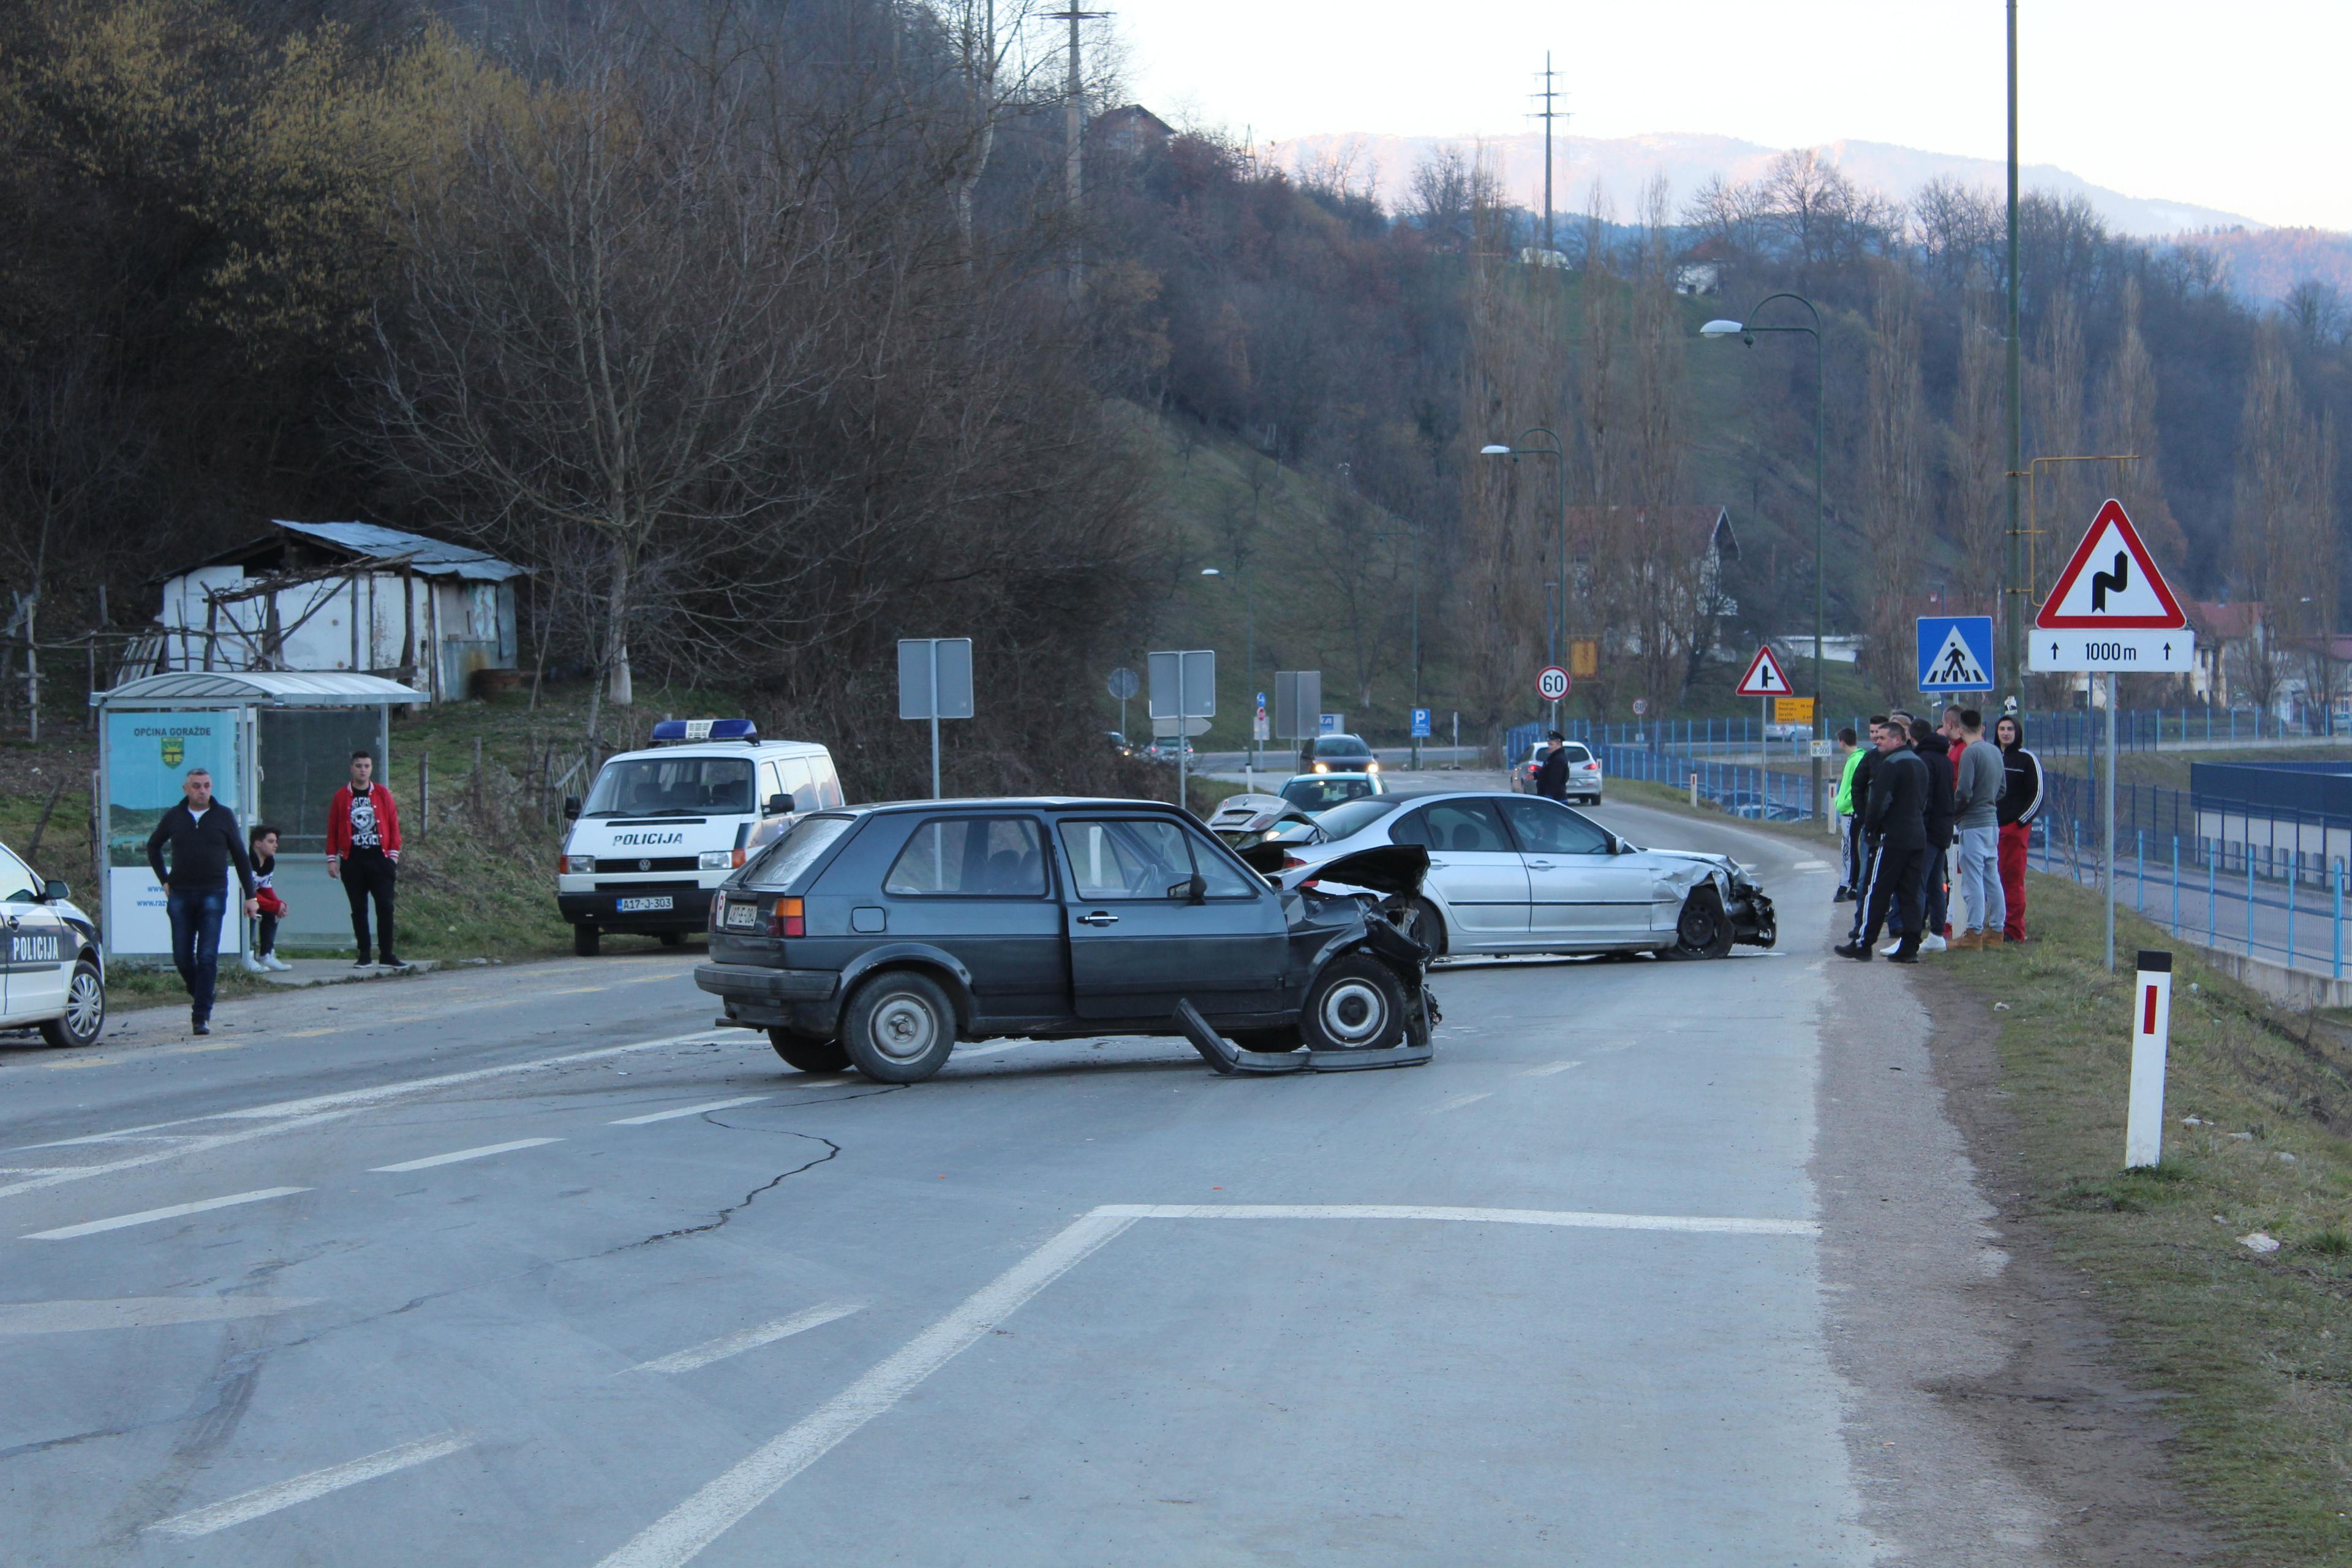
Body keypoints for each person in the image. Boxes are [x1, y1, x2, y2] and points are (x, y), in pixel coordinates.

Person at [144, 767, 259, 1035]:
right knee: (183, 957)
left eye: (207, 785)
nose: (202, 791)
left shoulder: (223, 816)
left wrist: (251, 895)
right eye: (196, 786)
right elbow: (153, 846)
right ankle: (203, 992)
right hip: (181, 893)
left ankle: (201, 1015)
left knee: (207, 956)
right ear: (186, 789)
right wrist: (165, 879)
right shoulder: (174, 816)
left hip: (213, 892)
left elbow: (241, 857)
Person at [1838, 720, 1929, 963]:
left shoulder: (1890, 765)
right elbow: (1923, 800)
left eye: (1883, 738)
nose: (1878, 742)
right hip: (1917, 835)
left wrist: (1871, 828)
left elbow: (1879, 802)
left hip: (1892, 837)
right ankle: (1910, 946)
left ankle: (1863, 943)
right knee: (1909, 893)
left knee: (1876, 890)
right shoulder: (1919, 764)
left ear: (1898, 740)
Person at [327, 750, 405, 970]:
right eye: (359, 766)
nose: (363, 770)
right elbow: (333, 829)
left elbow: (393, 824)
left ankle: (387, 953)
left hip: (380, 859)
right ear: (352, 768)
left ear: (372, 768)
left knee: (385, 906)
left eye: (367, 766)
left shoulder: (382, 793)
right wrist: (332, 859)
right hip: (353, 860)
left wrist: (392, 857)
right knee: (359, 908)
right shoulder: (341, 797)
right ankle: (364, 953)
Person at [1950, 709, 2007, 949]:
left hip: (1972, 824)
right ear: (1982, 728)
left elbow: (1963, 791)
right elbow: (2002, 789)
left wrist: (1954, 811)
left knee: (1972, 879)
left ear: (1960, 730)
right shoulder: (1995, 751)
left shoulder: (1970, 754)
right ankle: (1997, 932)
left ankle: (1973, 933)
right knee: (1992, 878)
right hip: (1992, 822)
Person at [1900, 715, 1955, 954]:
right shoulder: (1944, 758)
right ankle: (1936, 935)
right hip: (1943, 828)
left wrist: (1916, 826)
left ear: (1911, 737)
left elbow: (1925, 798)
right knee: (1936, 884)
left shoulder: (1923, 760)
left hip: (1927, 830)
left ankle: (1910, 936)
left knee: (1917, 883)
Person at [1996, 715, 2043, 943]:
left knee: (2012, 879)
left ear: (2017, 732)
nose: (2005, 733)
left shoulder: (2027, 760)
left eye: (2010, 729)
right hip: (1988, 827)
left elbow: (2038, 794)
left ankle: (2014, 931)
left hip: (2013, 830)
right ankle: (1996, 925)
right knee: (1992, 879)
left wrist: (2020, 823)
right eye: (2002, 729)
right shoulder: (1992, 755)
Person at [1845, 718, 1888, 941]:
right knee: (1865, 879)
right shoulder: (1869, 758)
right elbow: (1857, 786)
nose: (1875, 738)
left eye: (1880, 735)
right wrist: (1864, 816)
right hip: (1871, 828)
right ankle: (1860, 924)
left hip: (1895, 829)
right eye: (1873, 733)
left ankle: (1896, 925)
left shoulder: (1902, 758)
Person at [241, 824, 293, 974]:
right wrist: (273, 905)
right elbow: (247, 891)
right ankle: (248, 955)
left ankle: (266, 954)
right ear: (257, 843)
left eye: (276, 842)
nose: (275, 846)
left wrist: (278, 905)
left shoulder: (269, 862)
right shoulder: (247, 860)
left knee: (272, 912)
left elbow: (265, 888)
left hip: (253, 898)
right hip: (241, 900)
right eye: (271, 842)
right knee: (251, 912)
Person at [1832, 727, 1864, 902]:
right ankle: (1848, 883)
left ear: (1842, 742)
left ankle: (1849, 884)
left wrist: (1844, 803)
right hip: (1847, 810)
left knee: (1850, 849)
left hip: (1850, 812)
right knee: (1848, 848)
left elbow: (1857, 787)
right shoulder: (1854, 759)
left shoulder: (1857, 759)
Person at [1534, 732, 1570, 801]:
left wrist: (1548, 797)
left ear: (1559, 744)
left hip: (1555, 798)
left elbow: (1554, 780)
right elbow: (1547, 772)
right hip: (1554, 797)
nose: (1549, 747)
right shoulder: (1554, 758)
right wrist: (1535, 775)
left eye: (1551, 744)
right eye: (1549, 744)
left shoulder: (1558, 759)